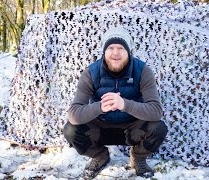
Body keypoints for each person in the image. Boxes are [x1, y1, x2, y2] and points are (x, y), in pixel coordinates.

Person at [63, 26, 168, 179]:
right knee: (70, 130)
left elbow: (156, 111)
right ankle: (100, 156)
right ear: (104, 51)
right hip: (101, 128)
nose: (115, 53)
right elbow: (73, 113)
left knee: (158, 128)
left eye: (121, 48)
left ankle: (138, 158)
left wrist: (124, 104)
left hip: (132, 129)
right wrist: (100, 107)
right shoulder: (90, 72)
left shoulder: (143, 70)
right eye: (111, 47)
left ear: (128, 51)